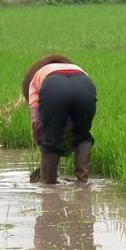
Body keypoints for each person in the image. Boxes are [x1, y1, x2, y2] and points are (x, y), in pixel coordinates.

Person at [22, 54, 96, 184]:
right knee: (83, 136)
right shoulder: (78, 70)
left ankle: (48, 185)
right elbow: (70, 116)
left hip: (54, 89)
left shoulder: (34, 82)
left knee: (51, 141)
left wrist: (43, 142)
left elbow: (36, 122)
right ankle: (82, 182)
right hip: (86, 87)